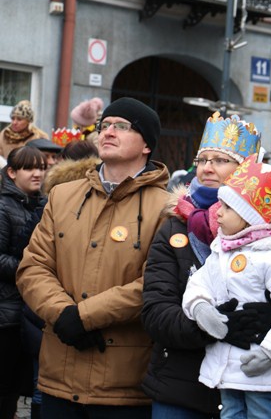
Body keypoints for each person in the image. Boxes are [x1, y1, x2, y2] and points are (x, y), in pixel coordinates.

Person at [16, 97, 169, 418]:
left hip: (123, 383)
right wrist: (62, 314)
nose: (108, 131)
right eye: (105, 125)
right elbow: (33, 267)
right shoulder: (62, 195)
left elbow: (156, 284)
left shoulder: (167, 208)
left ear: (147, 145)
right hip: (58, 371)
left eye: (122, 126)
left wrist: (84, 316)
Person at [141, 112, 271, 418]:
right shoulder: (175, 227)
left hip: (248, 385)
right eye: (203, 160)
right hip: (180, 387)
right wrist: (208, 327)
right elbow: (155, 310)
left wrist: (267, 322)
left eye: (220, 160)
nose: (207, 168)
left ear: (245, 170)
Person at [182, 157, 271, 419]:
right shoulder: (222, 249)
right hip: (225, 363)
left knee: (260, 413)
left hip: (259, 365)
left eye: (227, 207)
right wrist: (200, 307)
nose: (217, 212)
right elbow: (198, 283)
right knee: (230, 412)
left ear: (250, 218)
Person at [0, 146, 47, 419]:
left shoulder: (43, 204)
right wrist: (30, 270)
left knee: (17, 388)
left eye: (41, 167)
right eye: (30, 168)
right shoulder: (4, 206)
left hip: (29, 312)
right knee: (4, 387)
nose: (38, 173)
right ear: (12, 172)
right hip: (6, 311)